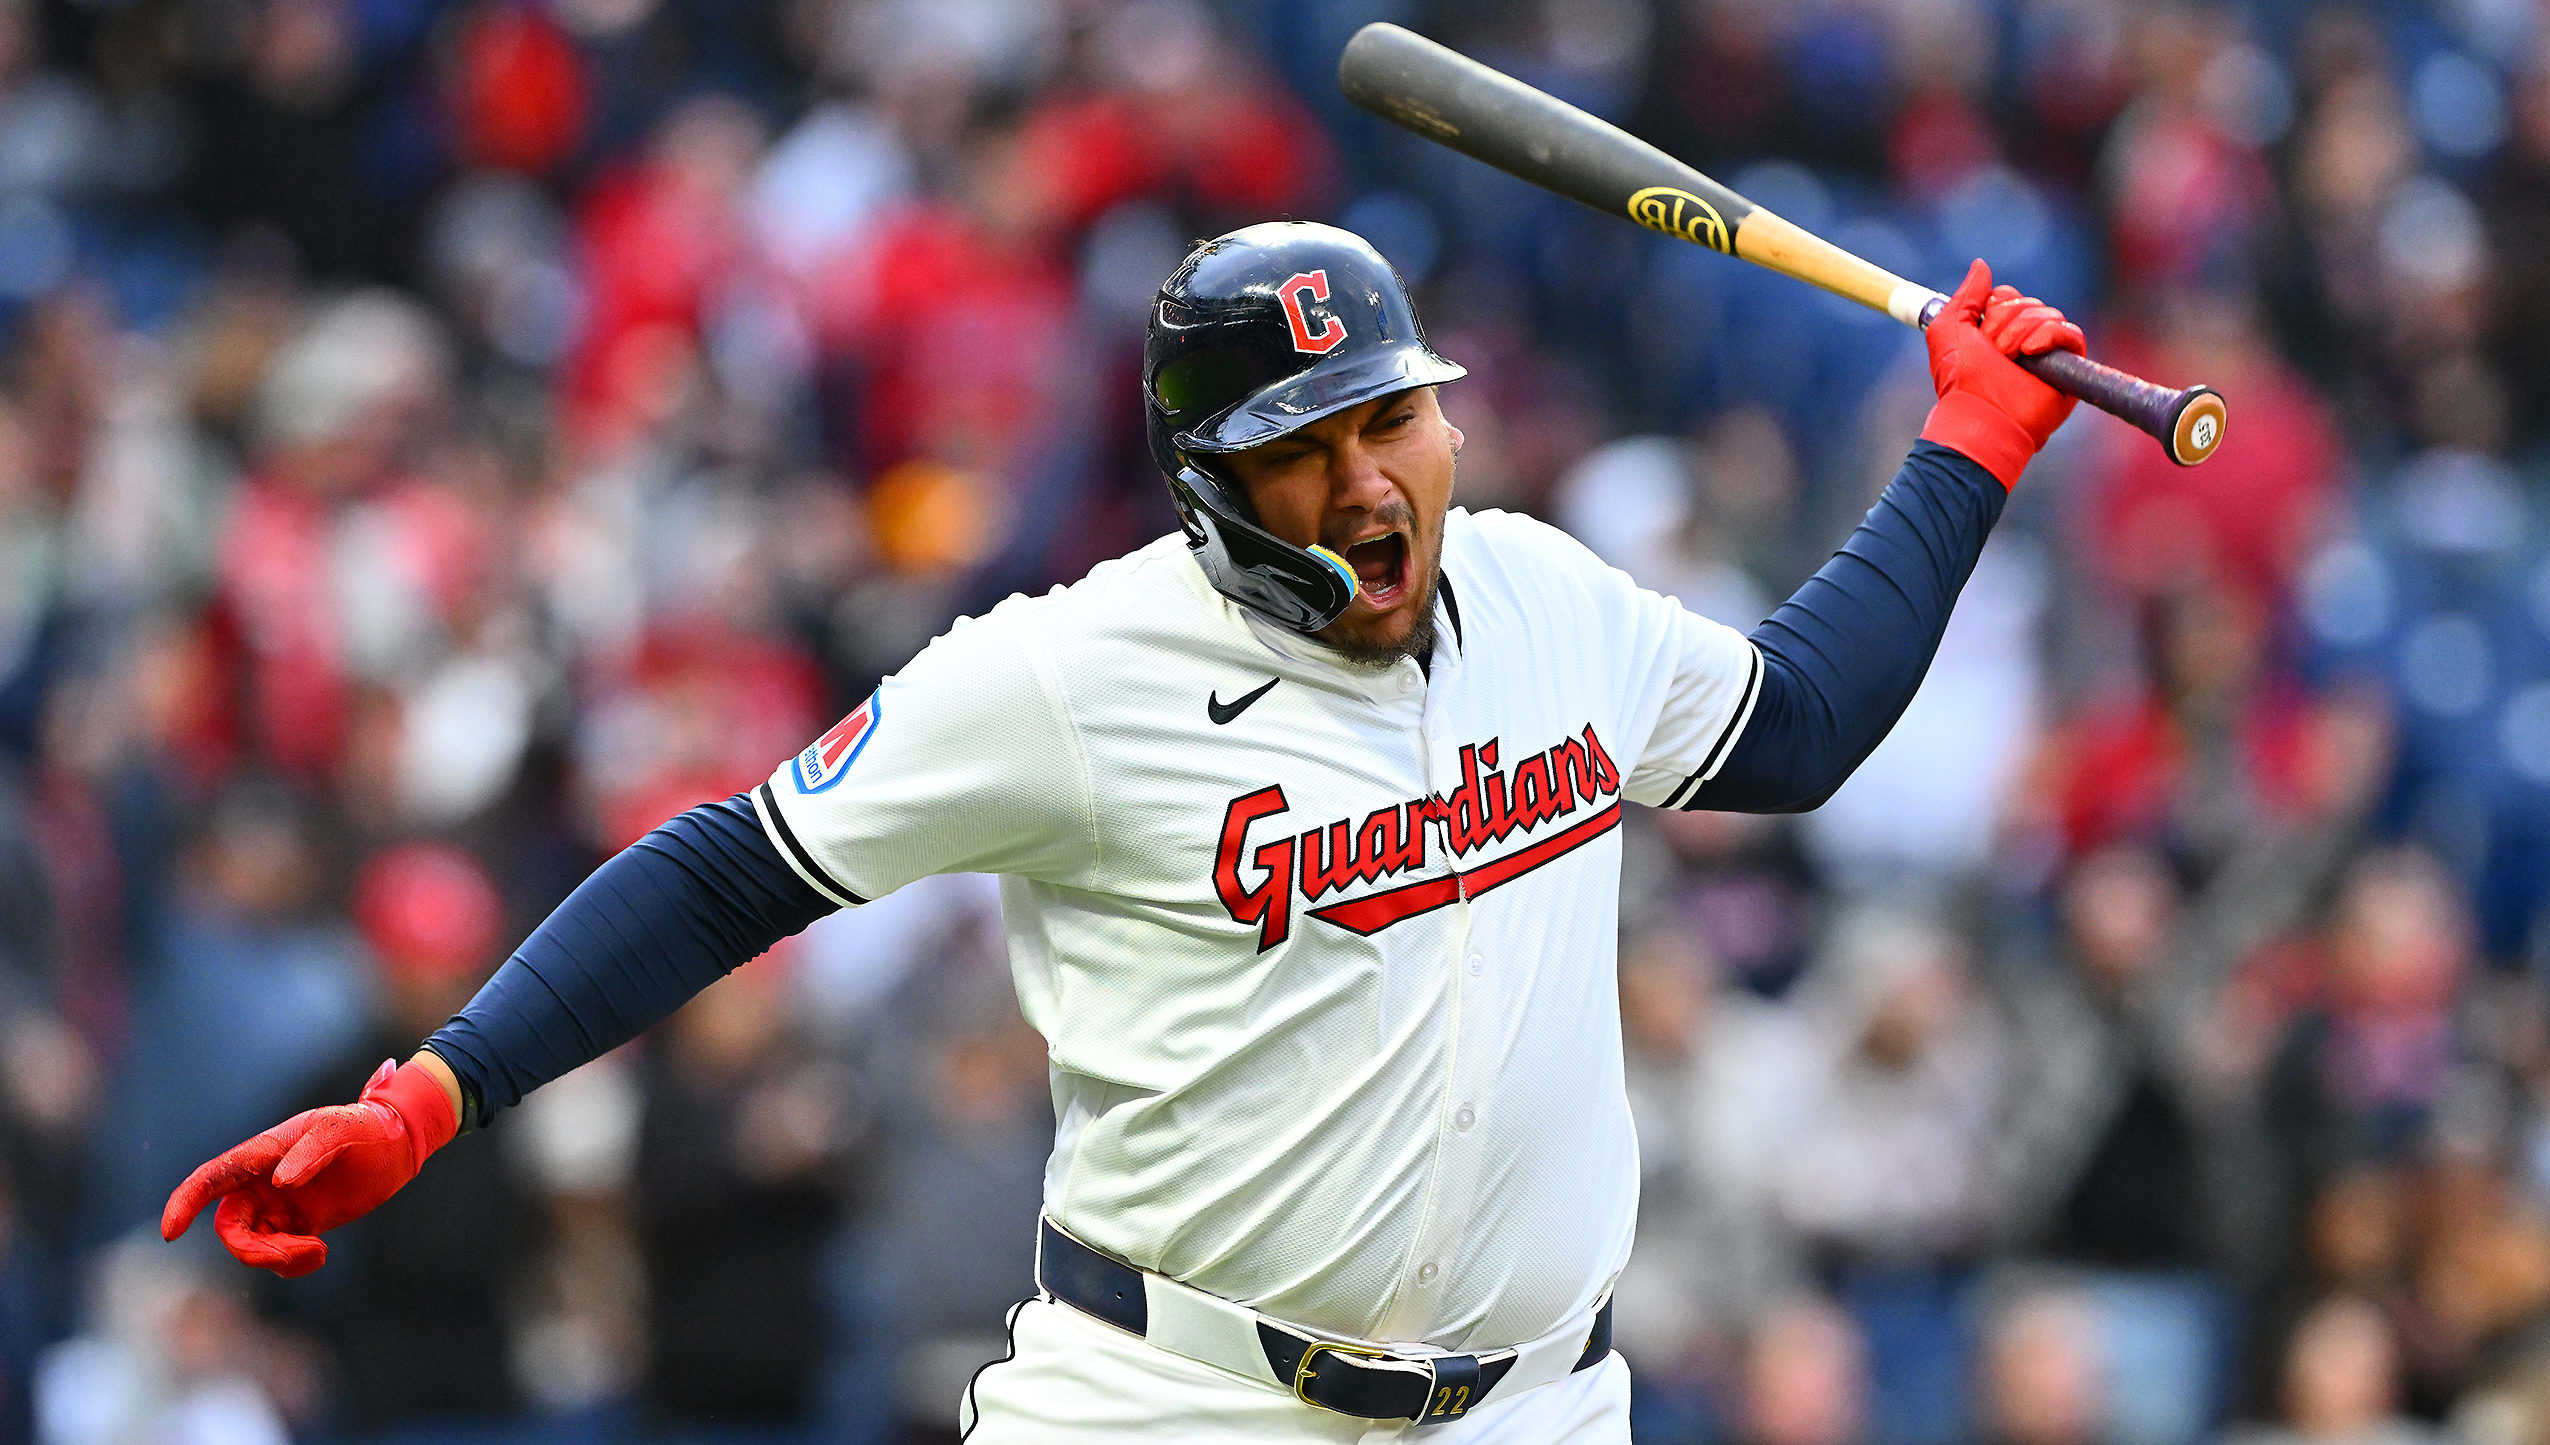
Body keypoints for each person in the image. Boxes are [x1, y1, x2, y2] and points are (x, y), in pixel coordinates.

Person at [159, 221, 2086, 1442]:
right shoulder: (1073, 673)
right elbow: (733, 861)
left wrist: (1969, 448)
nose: (1365, 479)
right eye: (1301, 449)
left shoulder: (1551, 599)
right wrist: (438, 1091)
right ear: (1206, 486)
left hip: (1534, 1406)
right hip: (1180, 1400)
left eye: (1388, 420)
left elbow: (1800, 724)